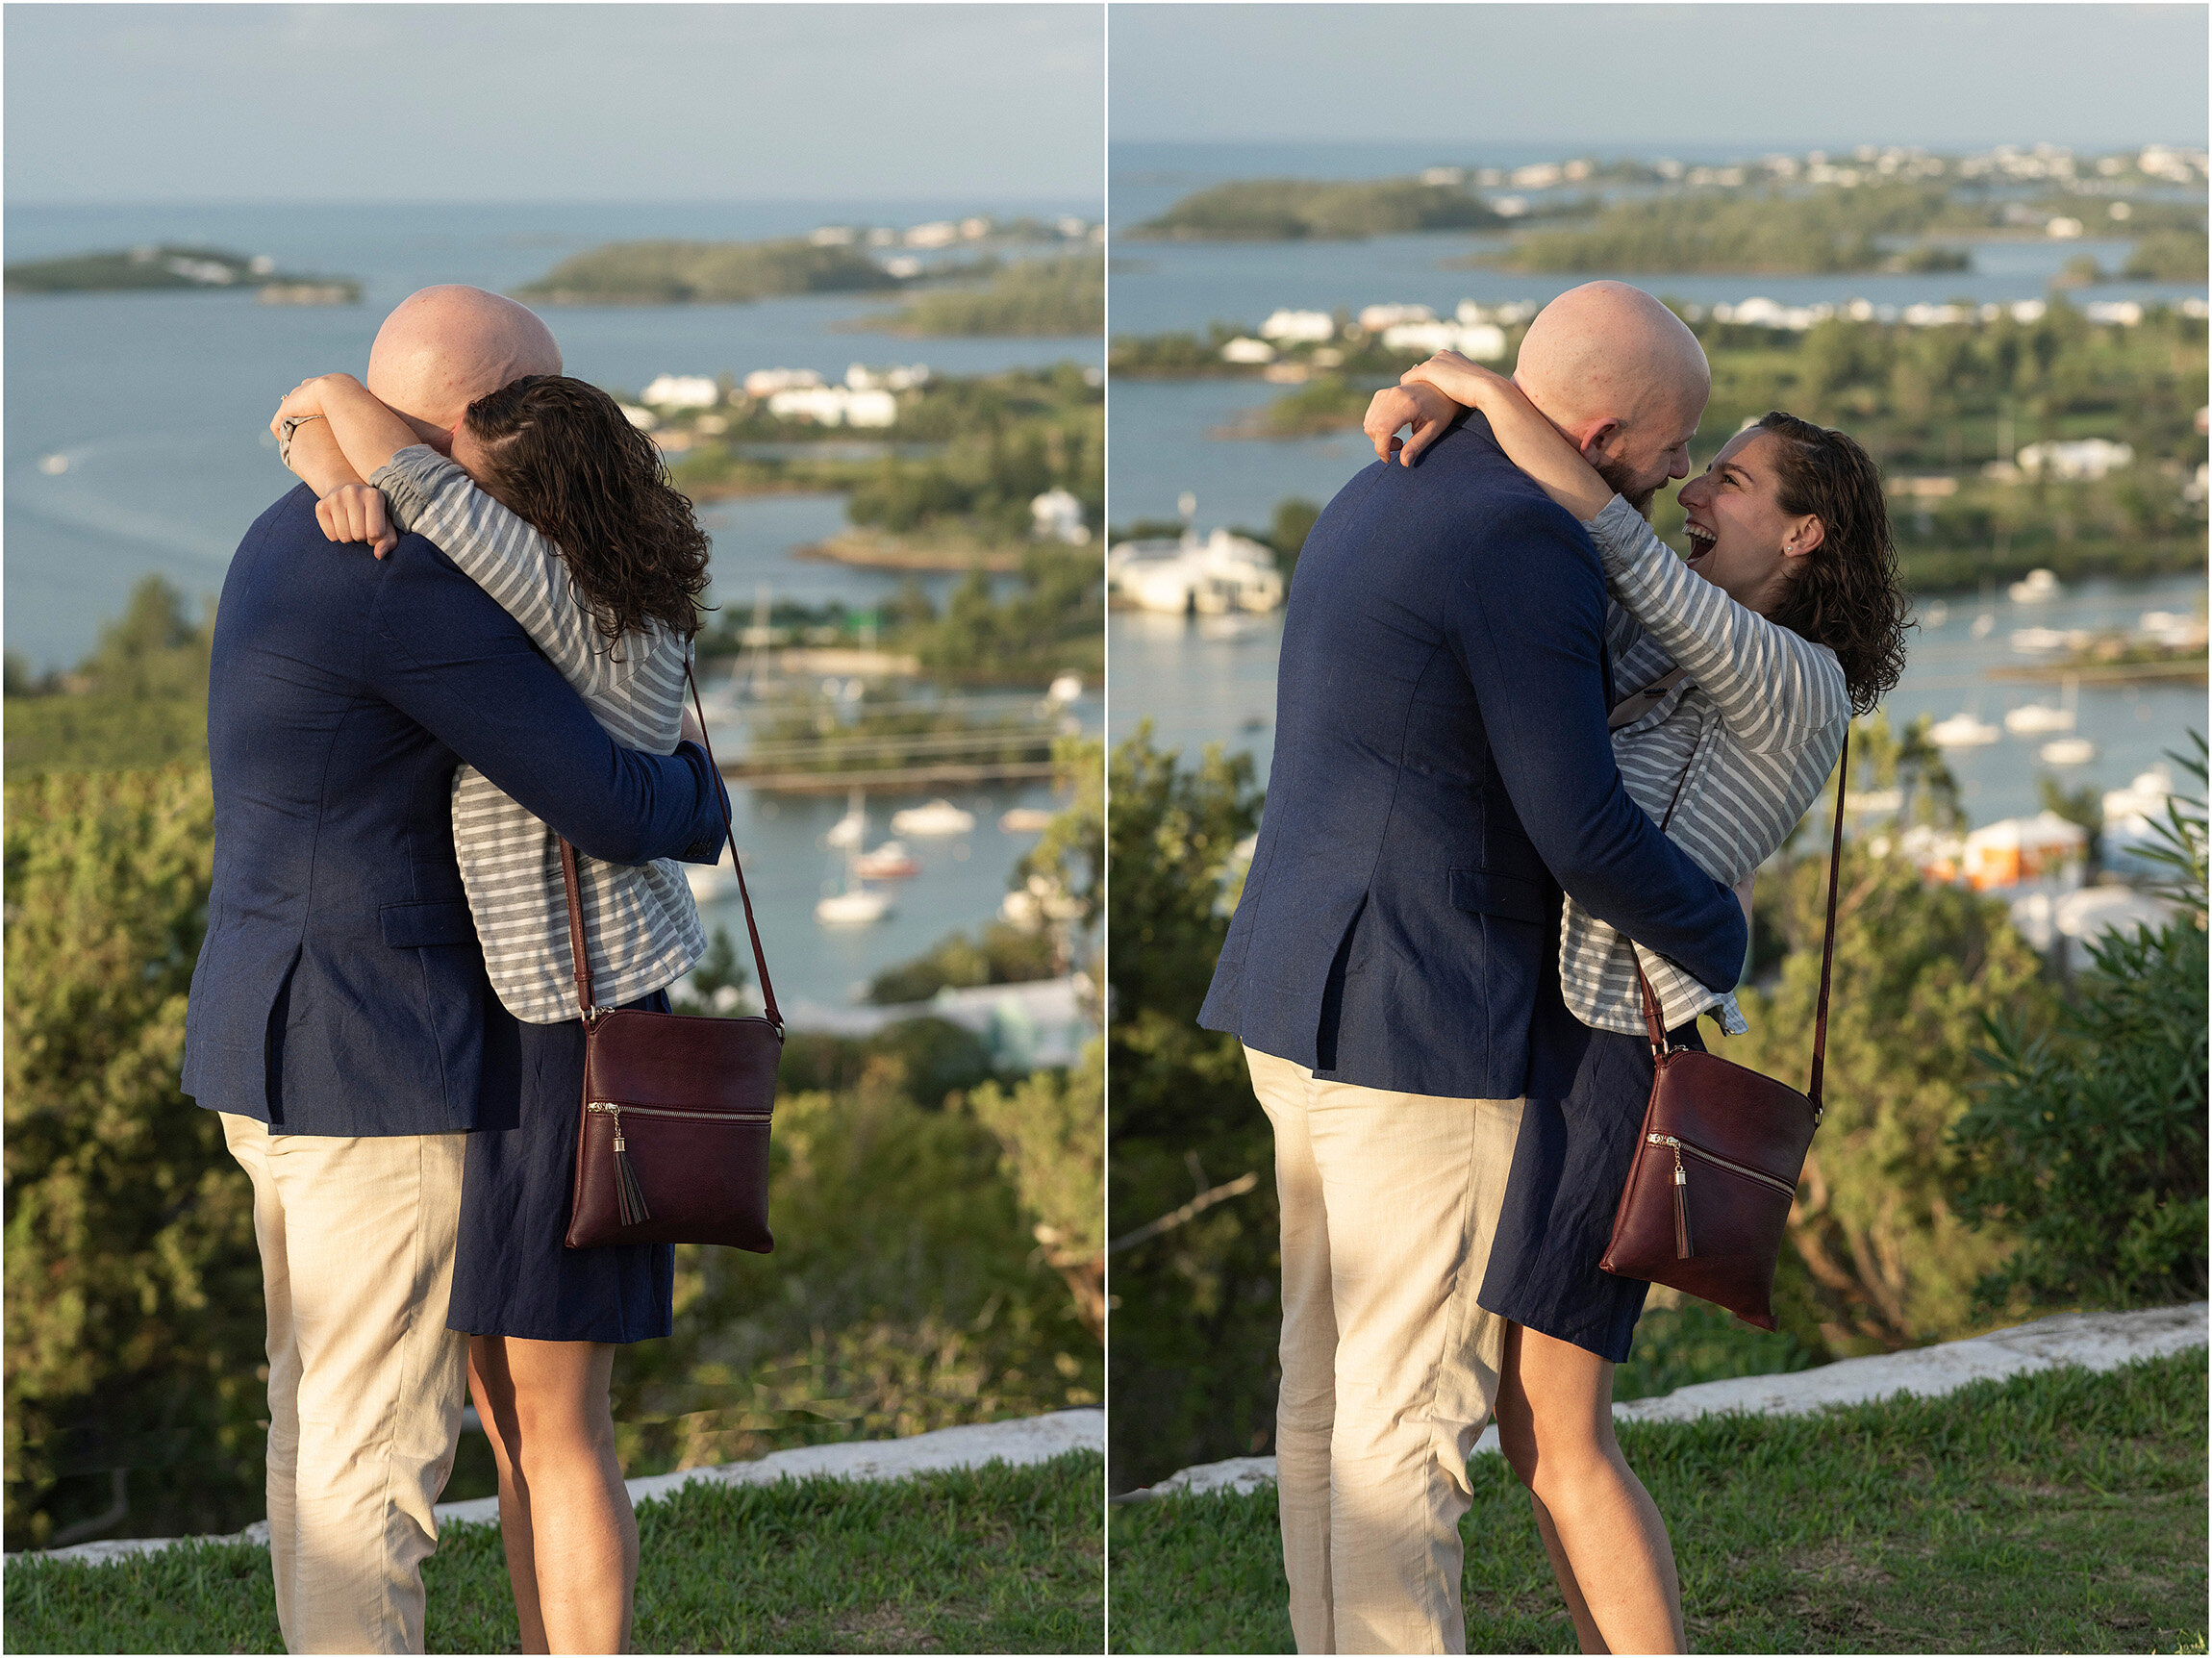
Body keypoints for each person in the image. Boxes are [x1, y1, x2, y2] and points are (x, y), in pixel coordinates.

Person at [1196, 281, 1749, 1656]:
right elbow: (1585, 828)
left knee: (1325, 1384)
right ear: (1604, 429)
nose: (1678, 475)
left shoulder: (1395, 475)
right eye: (1675, 447)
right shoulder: (1523, 538)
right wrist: (1722, 936)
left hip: (1297, 984)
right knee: (1410, 1421)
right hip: (1420, 1018)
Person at [182, 286, 731, 1657]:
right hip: (376, 1054)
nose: (555, 433)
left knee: (321, 1425)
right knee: (372, 1460)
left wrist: (315, 424)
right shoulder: (410, 577)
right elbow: (605, 797)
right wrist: (700, 800)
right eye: (534, 407)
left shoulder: (283, 532)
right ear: (474, 429)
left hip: (274, 1028)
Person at [1360, 321, 1908, 1655]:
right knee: (1532, 1419)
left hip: (1620, 1050)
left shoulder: (1798, 682)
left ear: (1805, 538)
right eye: (1699, 465)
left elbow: (1603, 535)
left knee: (1555, 1420)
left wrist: (1479, 381)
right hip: (1568, 1029)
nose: (1696, 489)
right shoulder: (1703, 644)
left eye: (1732, 478)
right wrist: (1415, 398)